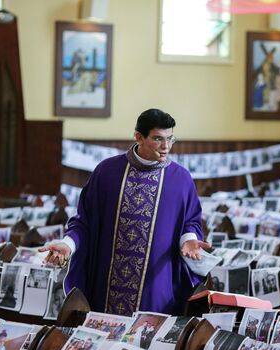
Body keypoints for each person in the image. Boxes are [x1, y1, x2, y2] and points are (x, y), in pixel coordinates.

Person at [40, 109, 210, 316]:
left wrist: (189, 238)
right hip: (107, 284)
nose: (166, 147)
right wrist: (67, 245)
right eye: (158, 139)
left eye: (170, 139)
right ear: (138, 137)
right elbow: (84, 221)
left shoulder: (180, 179)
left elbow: (190, 220)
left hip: (156, 285)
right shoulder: (107, 172)